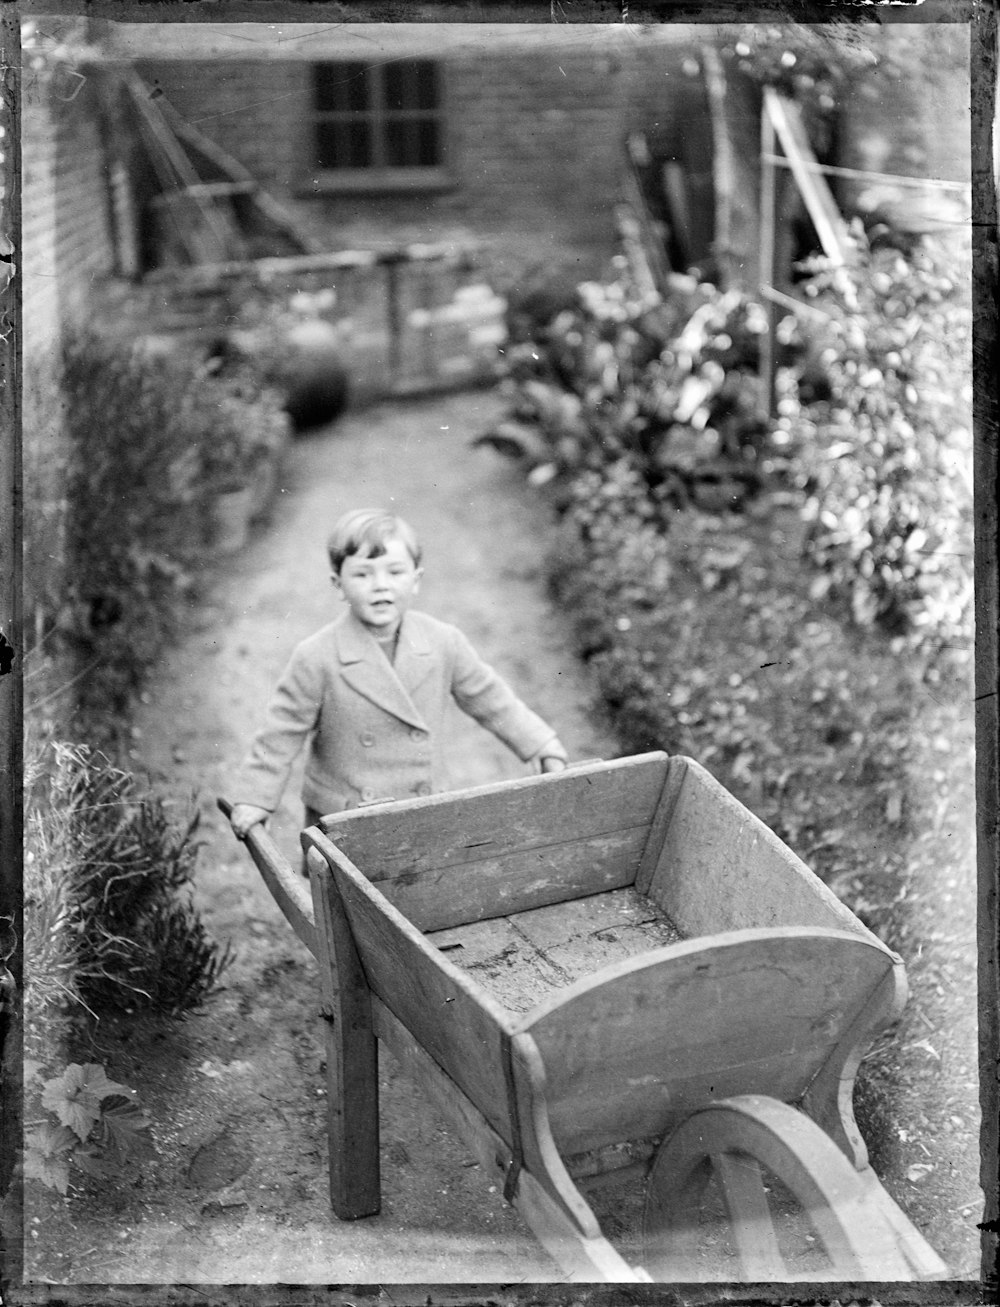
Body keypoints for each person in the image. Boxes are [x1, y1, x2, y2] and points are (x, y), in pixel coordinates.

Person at [228, 507, 569, 840]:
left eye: (394, 572)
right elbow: (280, 734)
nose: (380, 585)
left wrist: (540, 745)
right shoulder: (317, 656)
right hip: (346, 819)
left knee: (421, 886)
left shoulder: (442, 641)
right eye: (362, 574)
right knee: (347, 895)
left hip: (421, 809)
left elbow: (492, 699)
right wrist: (256, 798)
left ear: (416, 580)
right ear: (338, 584)